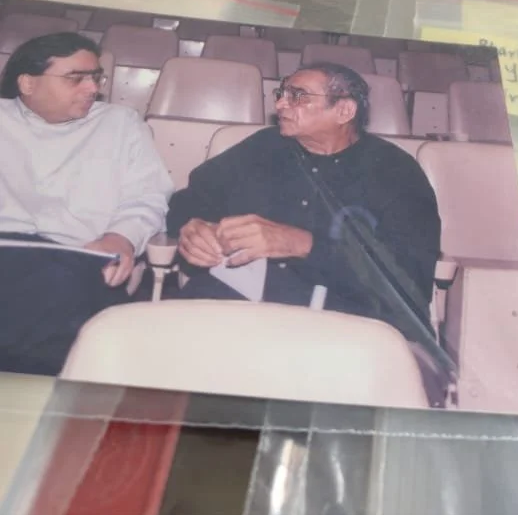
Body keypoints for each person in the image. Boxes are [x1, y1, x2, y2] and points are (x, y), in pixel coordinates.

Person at [168, 63, 445, 365]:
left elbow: (408, 282)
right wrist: (192, 228)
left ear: (344, 111)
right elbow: (188, 200)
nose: (280, 104)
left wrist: (303, 245)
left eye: (298, 96)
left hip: (345, 326)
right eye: (282, 93)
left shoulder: (395, 173)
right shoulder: (263, 147)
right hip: (243, 308)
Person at [0, 32, 173, 376]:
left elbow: (147, 196)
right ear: (27, 83)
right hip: (7, 252)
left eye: (96, 77)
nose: (92, 88)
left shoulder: (119, 123)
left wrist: (122, 238)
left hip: (79, 258)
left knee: (53, 305)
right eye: (76, 78)